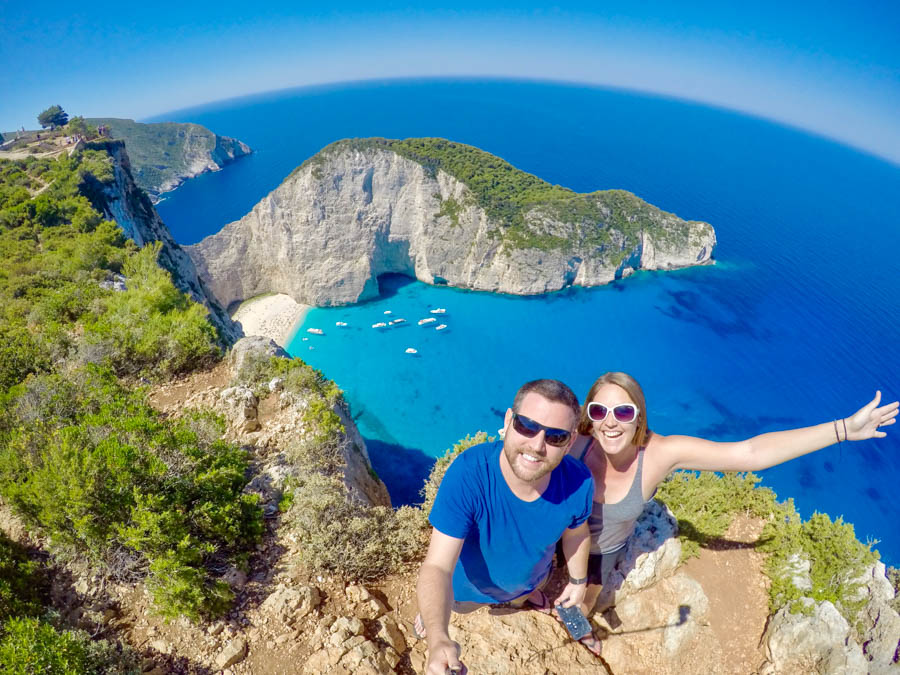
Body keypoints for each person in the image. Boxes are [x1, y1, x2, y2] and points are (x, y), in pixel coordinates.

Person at [570, 371, 899, 621]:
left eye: (623, 412)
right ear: (589, 415)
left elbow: (751, 453)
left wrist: (843, 429)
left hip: (602, 552)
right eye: (600, 411)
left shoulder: (659, 454)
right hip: (557, 532)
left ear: (639, 415)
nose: (610, 422)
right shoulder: (574, 440)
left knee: (577, 611)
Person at [416, 379, 598, 674]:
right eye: (527, 426)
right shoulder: (469, 474)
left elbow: (576, 533)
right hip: (466, 594)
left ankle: (520, 600)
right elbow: (437, 566)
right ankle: (432, 615)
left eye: (555, 437)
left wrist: (578, 581)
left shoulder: (579, 482)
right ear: (508, 421)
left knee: (524, 595)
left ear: (570, 442)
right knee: (443, 610)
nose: (537, 445)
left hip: (531, 582)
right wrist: (438, 638)